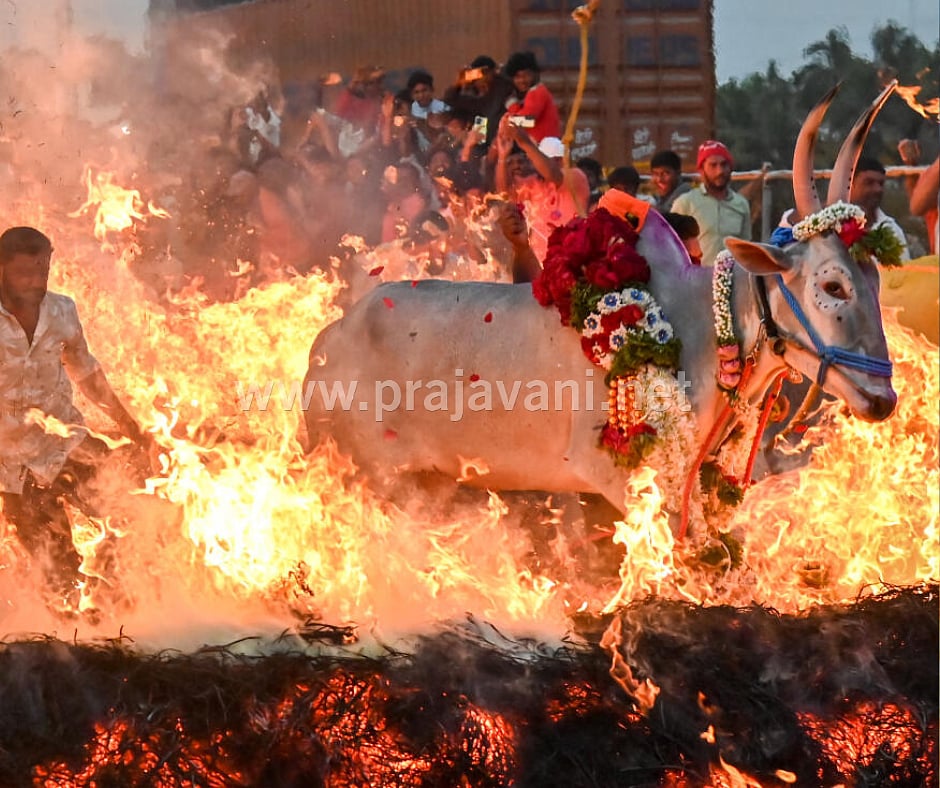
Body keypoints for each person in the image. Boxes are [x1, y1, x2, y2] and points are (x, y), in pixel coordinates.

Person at [0, 227, 150, 612]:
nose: (36, 283)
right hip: (15, 468)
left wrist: (132, 428)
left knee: (133, 517)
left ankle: (137, 609)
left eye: (42, 272)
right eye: (24, 275)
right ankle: (75, 644)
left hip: (67, 441)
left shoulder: (62, 309)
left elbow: (87, 373)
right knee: (57, 573)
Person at [494, 118, 590, 262]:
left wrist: (524, 142)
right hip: (539, 264)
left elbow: (552, 173)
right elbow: (505, 192)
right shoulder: (535, 183)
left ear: (561, 160)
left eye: (550, 159)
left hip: (571, 261)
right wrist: (502, 157)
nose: (539, 164)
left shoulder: (576, 177)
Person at [671, 140, 751, 267]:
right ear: (701, 169)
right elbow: (671, 247)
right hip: (696, 279)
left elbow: (747, 250)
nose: (720, 171)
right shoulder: (685, 203)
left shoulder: (741, 204)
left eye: (724, 165)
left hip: (734, 279)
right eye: (713, 165)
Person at [442, 55, 514, 153]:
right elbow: (448, 101)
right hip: (484, 149)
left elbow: (491, 107)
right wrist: (458, 84)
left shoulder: (503, 89)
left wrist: (495, 77)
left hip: (508, 143)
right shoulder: (475, 99)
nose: (482, 79)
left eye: (485, 73)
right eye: (478, 75)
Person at [848, 156, 910, 261]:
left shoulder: (892, 229)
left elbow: (904, 273)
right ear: (850, 184)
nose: (878, 189)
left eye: (881, 184)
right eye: (869, 183)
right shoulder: (829, 226)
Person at [503, 50, 561, 145]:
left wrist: (511, 108)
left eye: (526, 75)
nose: (522, 80)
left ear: (535, 74)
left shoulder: (537, 92)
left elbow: (528, 121)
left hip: (545, 150)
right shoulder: (533, 93)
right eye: (517, 77)